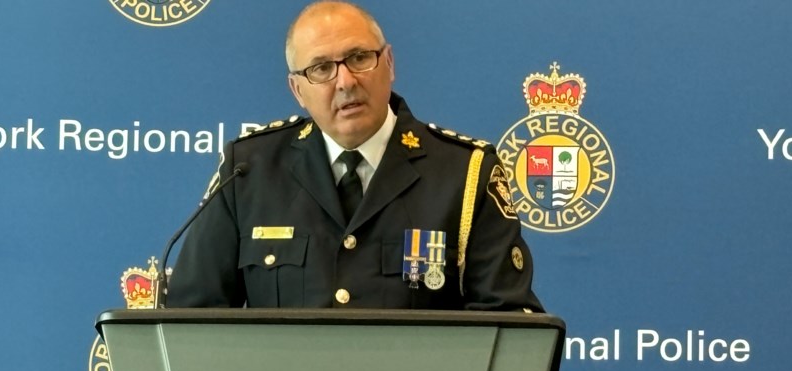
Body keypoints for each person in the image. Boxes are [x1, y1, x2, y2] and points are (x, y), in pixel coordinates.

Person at [167, 1, 542, 312]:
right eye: (321, 69)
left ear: (389, 63)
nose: (345, 81)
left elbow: (507, 328)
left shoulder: (466, 173)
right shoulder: (248, 171)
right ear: (297, 90)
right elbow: (193, 317)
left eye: (359, 58)